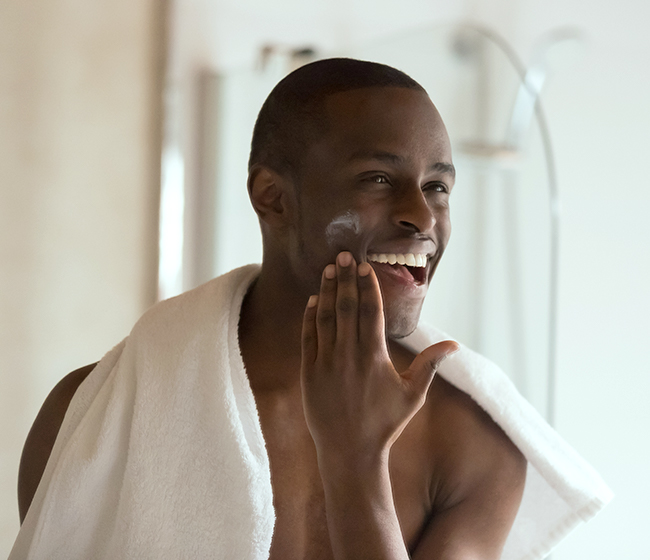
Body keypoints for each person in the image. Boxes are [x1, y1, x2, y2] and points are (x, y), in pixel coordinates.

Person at [13, 58, 609, 560]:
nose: (423, 217)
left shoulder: (473, 444)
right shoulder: (94, 417)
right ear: (273, 198)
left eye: (438, 187)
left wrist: (356, 462)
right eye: (378, 178)